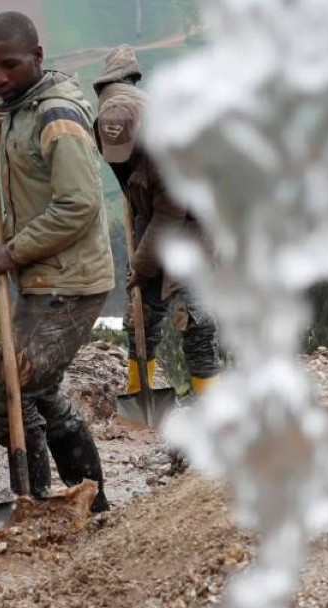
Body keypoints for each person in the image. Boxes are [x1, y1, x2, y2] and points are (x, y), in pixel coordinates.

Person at [0, 11, 114, 512]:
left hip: (69, 282)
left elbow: (78, 205)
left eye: (9, 65)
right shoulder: (19, 106)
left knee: (8, 400)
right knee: (39, 392)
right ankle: (88, 503)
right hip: (48, 278)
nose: (0, 77)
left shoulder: (57, 117)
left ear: (37, 57)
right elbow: (3, 134)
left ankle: (35, 503)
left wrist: (12, 251)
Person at [91, 45, 222, 397]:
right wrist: (143, 261)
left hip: (194, 232)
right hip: (153, 223)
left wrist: (141, 263)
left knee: (194, 320)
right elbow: (141, 201)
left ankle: (211, 401)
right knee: (141, 316)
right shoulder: (109, 124)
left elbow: (170, 212)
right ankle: (140, 396)